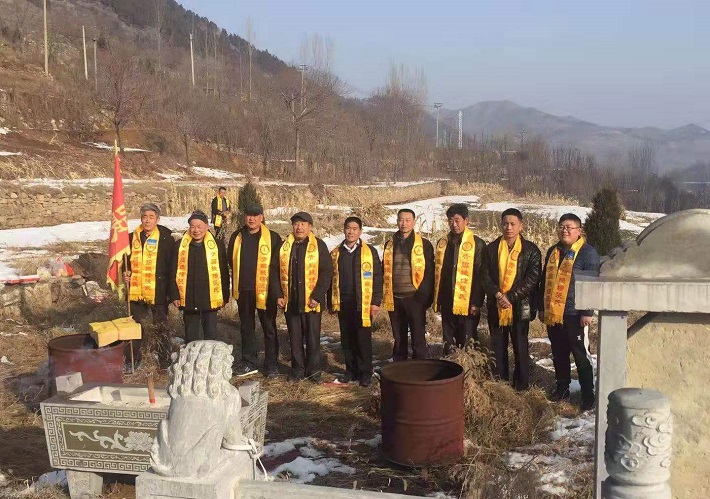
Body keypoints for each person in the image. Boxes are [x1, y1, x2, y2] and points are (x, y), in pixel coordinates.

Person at [538, 213, 600, 410]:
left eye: (569, 227)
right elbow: (544, 281)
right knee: (559, 352)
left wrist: (587, 312)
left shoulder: (587, 253)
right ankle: (562, 388)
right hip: (554, 313)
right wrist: (542, 307)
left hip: (576, 313)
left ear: (578, 231)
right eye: (561, 227)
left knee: (580, 355)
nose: (564, 231)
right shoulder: (553, 251)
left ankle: (588, 395)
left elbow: (591, 283)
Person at [482, 208, 541, 390]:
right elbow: (484, 275)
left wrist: (510, 297)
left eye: (513, 224)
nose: (508, 227)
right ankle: (501, 384)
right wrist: (498, 295)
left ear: (521, 226)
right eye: (505, 223)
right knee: (498, 346)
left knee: (520, 347)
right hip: (497, 305)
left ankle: (521, 386)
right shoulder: (491, 248)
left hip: (520, 306)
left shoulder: (530, 250)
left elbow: (532, 279)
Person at [227, 204, 283, 378]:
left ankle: (271, 363)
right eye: (249, 215)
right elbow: (230, 260)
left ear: (261, 217)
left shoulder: (272, 237)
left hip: (266, 291)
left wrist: (277, 291)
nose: (251, 219)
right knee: (246, 327)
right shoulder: (237, 236)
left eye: (255, 215)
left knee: (269, 327)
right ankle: (249, 361)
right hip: (244, 290)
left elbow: (279, 265)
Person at [328, 216, 383, 387]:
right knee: (347, 338)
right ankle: (350, 371)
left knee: (363, 339)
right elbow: (330, 278)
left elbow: (378, 277)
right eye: (348, 228)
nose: (351, 232)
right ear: (344, 230)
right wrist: (331, 302)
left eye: (354, 229)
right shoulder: (336, 253)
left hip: (363, 302)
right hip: (344, 302)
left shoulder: (369, 252)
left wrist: (376, 301)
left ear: (360, 231)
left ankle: (365, 372)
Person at [278, 211, 333, 383]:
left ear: (310, 227)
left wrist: (317, 295)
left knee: (313, 338)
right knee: (295, 338)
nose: (299, 227)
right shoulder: (285, 246)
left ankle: (314, 371)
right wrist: (278, 295)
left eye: (303, 224)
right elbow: (274, 270)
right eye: (296, 224)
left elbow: (326, 272)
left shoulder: (319, 246)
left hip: (311, 301)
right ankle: (297, 370)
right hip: (292, 300)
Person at [123, 203, 174, 369]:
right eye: (144, 217)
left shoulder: (166, 239)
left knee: (161, 326)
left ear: (157, 219)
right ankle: (133, 359)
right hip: (136, 289)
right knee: (134, 325)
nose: (147, 220)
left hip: (158, 290)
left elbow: (171, 266)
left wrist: (171, 292)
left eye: (151, 217)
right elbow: (125, 261)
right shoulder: (131, 238)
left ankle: (164, 359)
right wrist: (125, 272)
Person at [169, 210, 230, 342]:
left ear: (207, 227)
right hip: (188, 298)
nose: (196, 230)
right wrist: (174, 295)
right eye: (193, 226)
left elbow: (223, 272)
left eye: (199, 226)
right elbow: (172, 271)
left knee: (211, 335)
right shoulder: (180, 246)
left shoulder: (217, 245)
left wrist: (225, 295)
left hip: (210, 297)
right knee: (191, 336)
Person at [433, 203, 486, 355]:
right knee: (448, 339)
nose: (454, 224)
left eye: (457, 220)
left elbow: (480, 276)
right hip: (447, 299)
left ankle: (468, 366)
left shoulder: (477, 244)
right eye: (450, 220)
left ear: (466, 220)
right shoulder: (443, 243)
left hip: (467, 301)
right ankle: (450, 365)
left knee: (468, 338)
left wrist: (476, 302)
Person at [382, 209, 434, 361]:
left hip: (415, 297)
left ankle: (420, 367)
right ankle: (400, 366)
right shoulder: (390, 244)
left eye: (407, 220)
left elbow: (429, 272)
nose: (403, 223)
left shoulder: (423, 244)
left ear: (414, 222)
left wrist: (423, 296)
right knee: (399, 337)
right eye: (401, 220)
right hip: (395, 297)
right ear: (397, 221)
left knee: (418, 337)